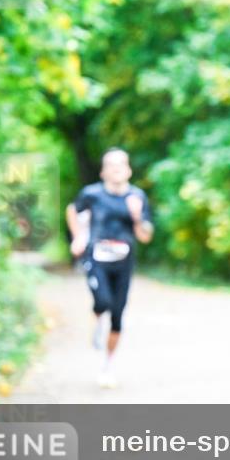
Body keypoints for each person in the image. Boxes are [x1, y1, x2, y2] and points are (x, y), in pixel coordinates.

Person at [66, 148, 154, 389]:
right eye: (111, 164)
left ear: (128, 170)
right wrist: (78, 237)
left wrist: (137, 216)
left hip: (124, 262)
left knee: (117, 315)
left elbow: (145, 236)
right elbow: (73, 210)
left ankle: (107, 364)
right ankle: (96, 319)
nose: (116, 168)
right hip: (96, 256)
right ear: (103, 171)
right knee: (102, 302)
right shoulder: (92, 194)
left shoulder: (136, 197)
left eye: (121, 164)